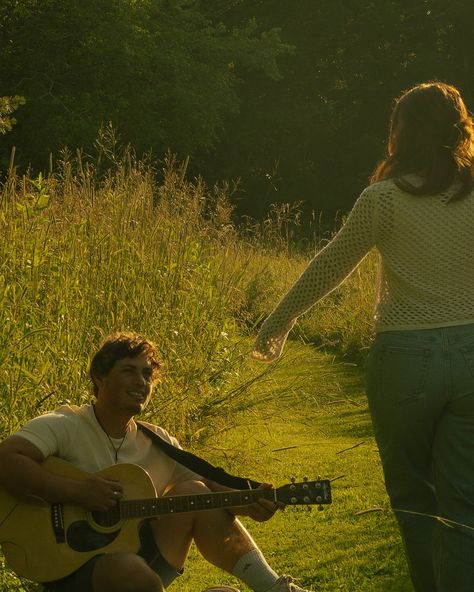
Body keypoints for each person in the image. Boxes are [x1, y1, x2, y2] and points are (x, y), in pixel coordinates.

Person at [252, 81, 474, 592]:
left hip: (404, 359)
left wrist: (277, 321)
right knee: (464, 506)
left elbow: (331, 263)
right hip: (470, 354)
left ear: (401, 132)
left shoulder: (384, 199)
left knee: (415, 502)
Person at [0, 332, 313, 592]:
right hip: (72, 567)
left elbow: (212, 485)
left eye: (147, 374)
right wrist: (77, 492)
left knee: (194, 493)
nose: (141, 382)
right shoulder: (67, 423)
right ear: (99, 376)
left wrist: (249, 500)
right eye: (129, 371)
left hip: (139, 562)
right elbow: (7, 459)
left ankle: (275, 588)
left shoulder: (156, 439)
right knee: (130, 570)